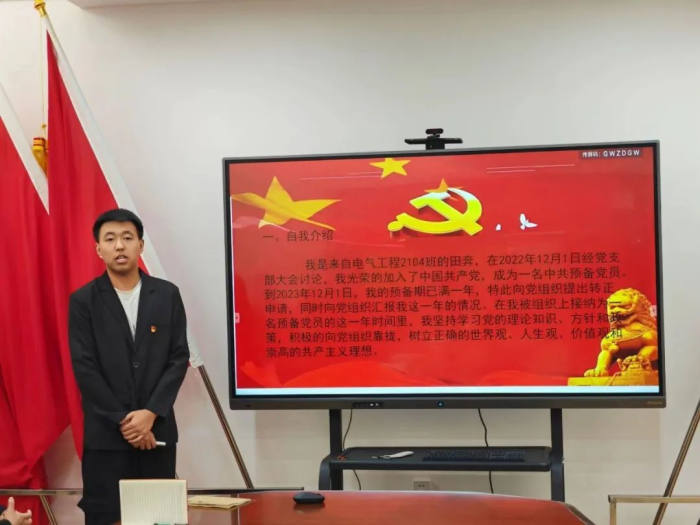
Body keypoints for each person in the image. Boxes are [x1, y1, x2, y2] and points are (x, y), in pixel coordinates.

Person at [68, 208, 190, 525]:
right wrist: (126, 422)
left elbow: (178, 358)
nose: (119, 245)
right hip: (106, 439)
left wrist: (150, 414)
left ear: (140, 245)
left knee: (159, 518)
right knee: (106, 518)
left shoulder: (167, 295)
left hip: (157, 435)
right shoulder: (83, 301)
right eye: (110, 239)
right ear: (99, 249)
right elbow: (85, 368)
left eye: (127, 237)